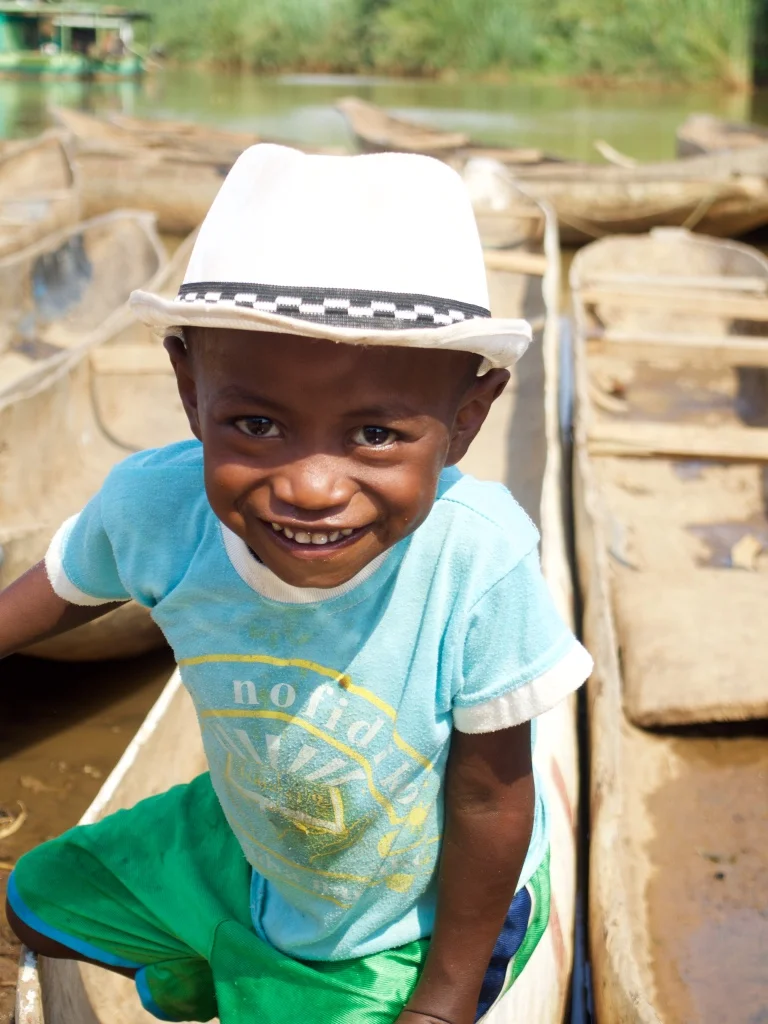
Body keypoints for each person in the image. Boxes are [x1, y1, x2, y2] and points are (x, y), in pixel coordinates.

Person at [2, 144, 592, 1024]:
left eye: (377, 436)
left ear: (467, 419)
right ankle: (214, 963)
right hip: (256, 832)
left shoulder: (477, 563)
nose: (310, 486)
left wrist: (444, 996)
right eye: (257, 422)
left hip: (410, 913)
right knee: (41, 899)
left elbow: (490, 795)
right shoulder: (156, 505)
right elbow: (64, 585)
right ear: (187, 386)